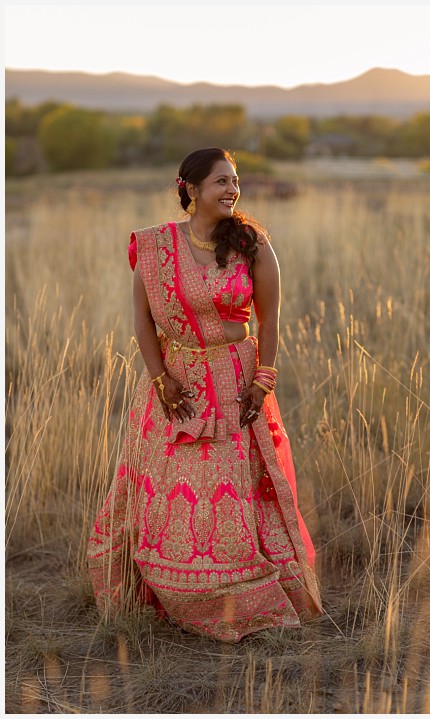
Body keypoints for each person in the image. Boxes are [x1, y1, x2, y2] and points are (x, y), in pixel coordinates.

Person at [88, 148, 322, 642]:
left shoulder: (252, 244)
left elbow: (270, 319)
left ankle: (243, 597)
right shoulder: (155, 247)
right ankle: (173, 595)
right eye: (221, 181)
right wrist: (161, 379)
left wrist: (263, 380)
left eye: (235, 181)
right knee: (174, 489)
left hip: (237, 382)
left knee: (233, 489)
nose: (232, 189)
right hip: (179, 382)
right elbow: (142, 321)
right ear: (191, 190)